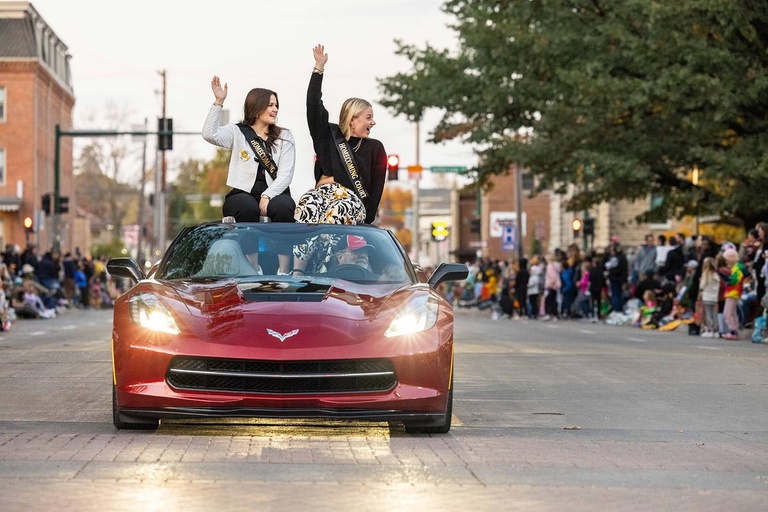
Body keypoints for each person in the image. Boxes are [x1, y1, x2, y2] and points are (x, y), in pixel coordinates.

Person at [295, 44, 387, 225]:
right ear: (352, 119)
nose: (373, 122)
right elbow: (313, 106)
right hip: (324, 196)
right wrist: (318, 68)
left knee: (339, 209)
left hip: (353, 202)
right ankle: (300, 253)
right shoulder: (329, 136)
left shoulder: (375, 148)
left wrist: (333, 179)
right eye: (368, 117)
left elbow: (376, 188)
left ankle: (329, 253)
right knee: (306, 206)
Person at [202, 76, 296, 224]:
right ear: (257, 108)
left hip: (276, 193)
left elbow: (286, 175)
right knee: (246, 208)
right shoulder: (237, 132)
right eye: (270, 105)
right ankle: (248, 247)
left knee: (283, 207)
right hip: (243, 194)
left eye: (276, 105)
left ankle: (280, 246)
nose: (275, 110)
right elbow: (209, 134)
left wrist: (267, 196)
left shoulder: (285, 136)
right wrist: (219, 102)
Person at [720, 248, 747, 340]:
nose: (726, 263)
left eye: (727, 260)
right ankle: (734, 331)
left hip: (733, 292)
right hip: (733, 292)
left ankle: (733, 331)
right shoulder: (736, 267)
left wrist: (724, 277)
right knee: (733, 314)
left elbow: (734, 280)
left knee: (727, 314)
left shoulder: (737, 268)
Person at [699, 256, 720, 338]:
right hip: (714, 297)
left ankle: (709, 329)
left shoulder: (705, 274)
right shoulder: (716, 275)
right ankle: (716, 330)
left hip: (707, 296)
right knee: (714, 314)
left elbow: (702, 286)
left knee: (708, 314)